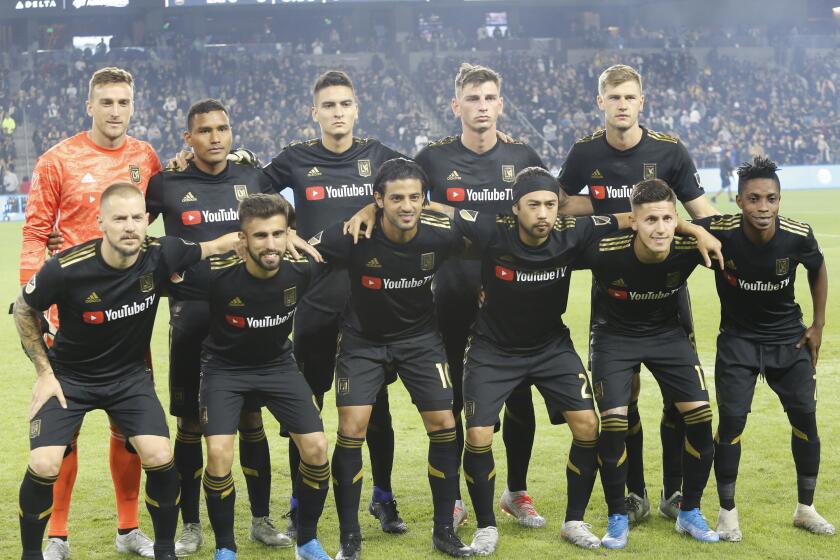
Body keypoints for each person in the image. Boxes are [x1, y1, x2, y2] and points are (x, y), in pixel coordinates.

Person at [14, 182, 238, 560]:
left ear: (147, 220)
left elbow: (217, 245)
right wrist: (44, 372)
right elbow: (23, 309)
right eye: (120, 218)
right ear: (101, 222)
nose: (131, 226)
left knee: (160, 454)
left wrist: (281, 238)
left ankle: (164, 550)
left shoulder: (162, 253)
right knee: (44, 461)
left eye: (138, 217)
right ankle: (31, 554)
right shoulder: (67, 268)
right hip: (70, 378)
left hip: (129, 378)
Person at [558, 63, 719, 523]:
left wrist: (710, 236)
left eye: (630, 97)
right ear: (600, 102)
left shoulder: (669, 150)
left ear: (641, 102)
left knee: (678, 398)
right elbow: (564, 203)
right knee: (621, 399)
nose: (622, 105)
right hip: (614, 288)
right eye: (614, 98)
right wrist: (618, 210)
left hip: (668, 292)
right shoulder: (585, 151)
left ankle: (674, 489)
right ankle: (634, 492)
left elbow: (699, 210)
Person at [19, 66, 162, 560]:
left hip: (127, 315)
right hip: (70, 316)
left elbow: (153, 216)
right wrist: (32, 298)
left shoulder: (145, 156)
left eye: (124, 102)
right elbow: (37, 231)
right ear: (90, 105)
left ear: (133, 104)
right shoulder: (57, 160)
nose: (116, 111)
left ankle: (128, 529)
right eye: (107, 102)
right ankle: (56, 536)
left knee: (130, 429)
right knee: (65, 430)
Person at [262, 70, 408, 537]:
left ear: (356, 108)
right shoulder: (296, 159)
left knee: (376, 408)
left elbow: (416, 182)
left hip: (371, 303)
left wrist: (373, 206)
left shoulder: (378, 155)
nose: (338, 112)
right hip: (314, 302)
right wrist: (283, 231)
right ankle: (300, 501)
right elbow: (247, 189)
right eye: (329, 106)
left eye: (345, 104)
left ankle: (382, 497)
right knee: (304, 407)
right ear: (315, 113)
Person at [145, 99, 285, 554]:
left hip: (248, 318)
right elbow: (131, 234)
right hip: (192, 318)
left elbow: (283, 225)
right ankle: (190, 525)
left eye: (223, 128)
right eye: (204, 131)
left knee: (250, 418)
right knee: (189, 425)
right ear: (188, 139)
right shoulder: (166, 182)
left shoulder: (253, 176)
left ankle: (261, 520)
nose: (215, 137)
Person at [313, 158, 471, 559]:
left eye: (415, 198)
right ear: (378, 199)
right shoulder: (353, 235)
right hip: (362, 341)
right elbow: (302, 251)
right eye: (396, 198)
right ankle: (350, 538)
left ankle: (443, 532)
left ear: (424, 200)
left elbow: (493, 239)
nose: (406, 206)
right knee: (352, 427)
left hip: (420, 340)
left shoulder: (440, 234)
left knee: (444, 423)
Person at [415, 63, 547, 528]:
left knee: (519, 393)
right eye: (473, 98)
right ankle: (452, 496)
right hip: (451, 291)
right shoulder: (431, 159)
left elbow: (550, 210)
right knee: (449, 394)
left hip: (512, 296)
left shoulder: (523, 155)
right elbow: (398, 195)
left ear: (501, 105)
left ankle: (516, 491)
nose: (482, 106)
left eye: (490, 98)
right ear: (457, 106)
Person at [178, 193, 332, 560]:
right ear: (242, 240)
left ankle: (307, 541)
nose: (271, 244)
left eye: (278, 234)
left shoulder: (304, 269)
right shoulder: (215, 276)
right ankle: (226, 549)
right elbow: (161, 266)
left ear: (288, 235)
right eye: (260, 236)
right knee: (217, 453)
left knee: (317, 448)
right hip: (223, 370)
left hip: (278, 367)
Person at [692, 157, 834, 541]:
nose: (763, 207)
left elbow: (818, 268)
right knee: (732, 423)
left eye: (771, 199)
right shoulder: (720, 229)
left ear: (780, 200)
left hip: (788, 340)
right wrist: (694, 230)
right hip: (737, 342)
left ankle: (805, 508)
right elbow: (674, 225)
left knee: (805, 418)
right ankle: (727, 514)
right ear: (738, 201)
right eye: (753, 199)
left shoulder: (796, 234)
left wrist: (818, 325)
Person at [575, 179, 721, 548]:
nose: (660, 228)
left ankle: (688, 511)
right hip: (613, 336)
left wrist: (697, 231)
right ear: (634, 222)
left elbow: (742, 235)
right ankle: (618, 516)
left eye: (667, 219)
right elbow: (550, 252)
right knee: (613, 422)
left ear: (677, 221)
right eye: (650, 219)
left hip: (667, 334)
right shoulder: (603, 251)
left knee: (701, 416)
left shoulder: (689, 245)